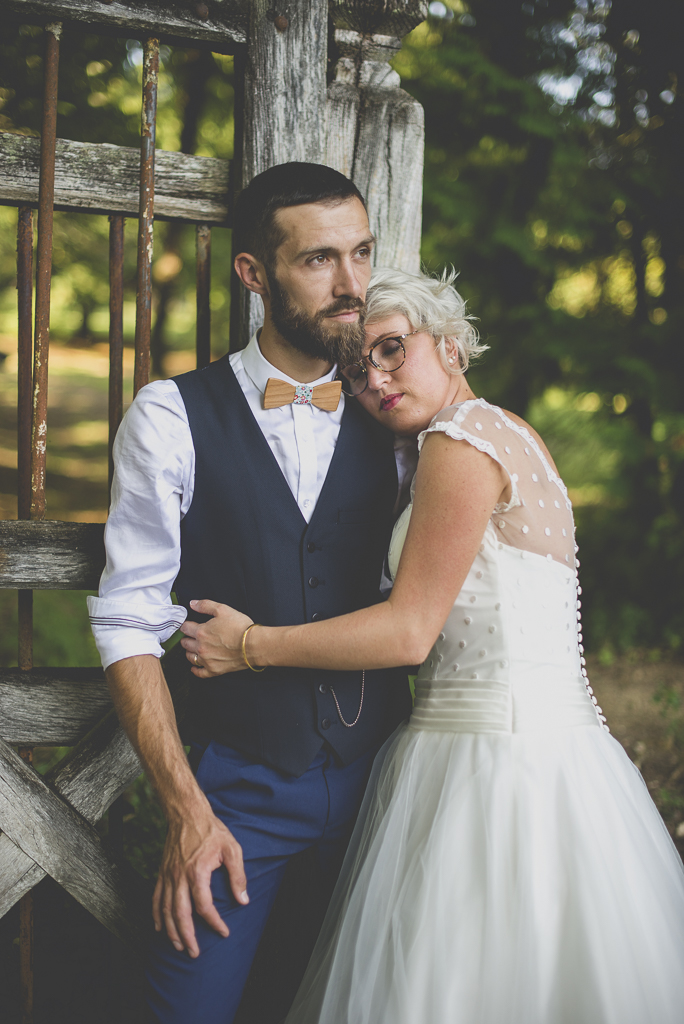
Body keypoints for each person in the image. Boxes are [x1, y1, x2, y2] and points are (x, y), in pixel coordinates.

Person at [180, 266, 684, 1024]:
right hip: (559, 750)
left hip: (489, 763)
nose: (376, 380)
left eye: (391, 350)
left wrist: (251, 644)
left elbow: (411, 631)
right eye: (357, 370)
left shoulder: (456, 442)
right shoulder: (510, 432)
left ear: (450, 346)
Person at [87, 164, 412, 1024]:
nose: (351, 287)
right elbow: (126, 622)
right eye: (318, 261)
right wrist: (187, 812)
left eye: (361, 254)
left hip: (391, 784)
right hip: (242, 794)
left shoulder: (398, 417)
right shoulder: (170, 417)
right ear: (254, 273)